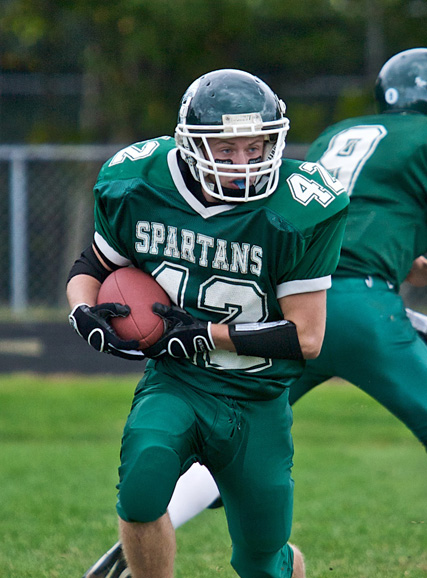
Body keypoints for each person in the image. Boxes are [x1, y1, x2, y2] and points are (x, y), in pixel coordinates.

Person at [82, 48, 427, 578]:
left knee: (254, 517)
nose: (243, 161)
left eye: (255, 146)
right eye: (226, 147)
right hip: (317, 320)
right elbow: (96, 262)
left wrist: (202, 331)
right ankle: (149, 540)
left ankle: (195, 531)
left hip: (275, 343)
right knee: (162, 463)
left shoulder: (331, 152)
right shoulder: (142, 179)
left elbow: (315, 321)